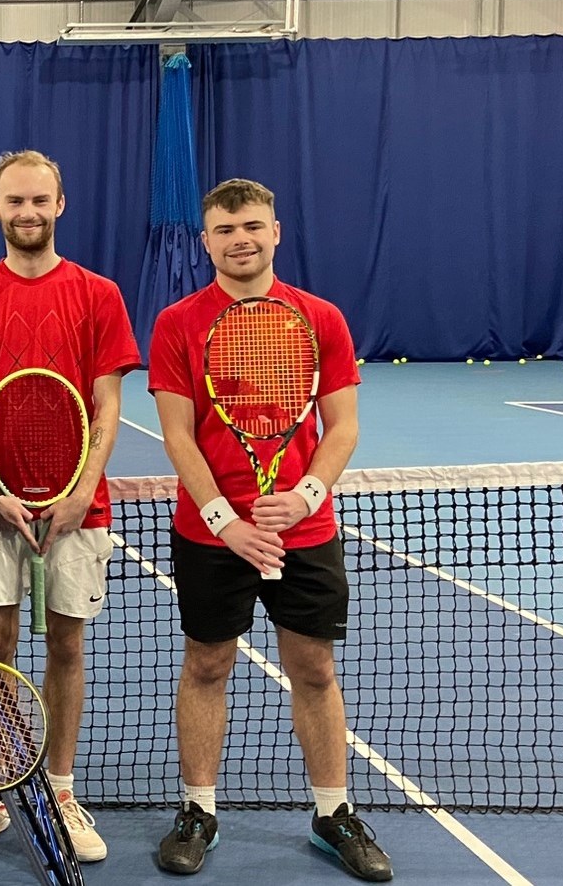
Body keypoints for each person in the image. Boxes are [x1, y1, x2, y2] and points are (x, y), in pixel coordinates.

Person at [148, 178, 391, 881]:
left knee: (314, 668)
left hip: (305, 531)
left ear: (276, 232)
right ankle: (199, 810)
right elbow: (178, 435)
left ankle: (332, 813)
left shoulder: (322, 318)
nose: (240, 239)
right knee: (207, 664)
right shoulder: (177, 324)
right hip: (210, 535)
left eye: (252, 225)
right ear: (207, 242)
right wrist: (226, 522)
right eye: (225, 230)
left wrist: (307, 493)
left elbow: (342, 425)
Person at [0, 149, 140, 860]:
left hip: (80, 507)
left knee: (68, 645)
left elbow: (108, 401)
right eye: (15, 201)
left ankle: (58, 787)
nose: (27, 212)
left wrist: (81, 491)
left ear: (60, 205)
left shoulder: (98, 294)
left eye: (39, 200)